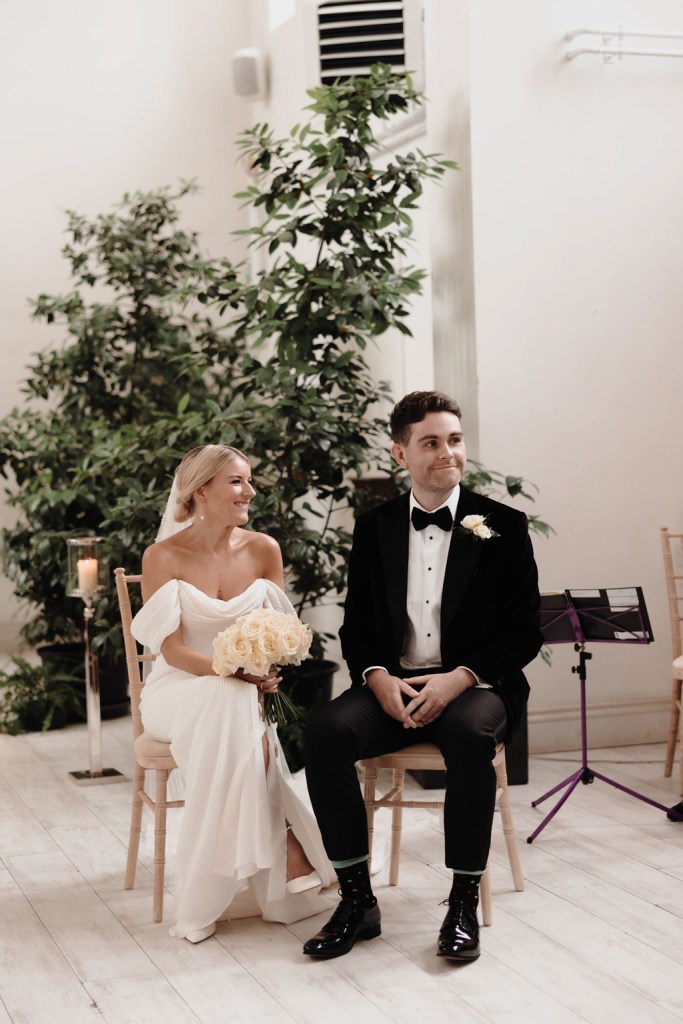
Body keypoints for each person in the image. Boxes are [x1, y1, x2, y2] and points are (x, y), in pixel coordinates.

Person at [303, 391, 542, 962]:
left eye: (454, 440)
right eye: (431, 442)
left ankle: (461, 904)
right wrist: (377, 677)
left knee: (465, 734)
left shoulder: (502, 525)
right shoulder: (375, 527)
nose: (447, 453)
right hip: (394, 685)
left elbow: (524, 633)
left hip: (476, 687)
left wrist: (460, 677)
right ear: (400, 452)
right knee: (324, 731)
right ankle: (357, 900)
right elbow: (356, 624)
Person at [130, 444, 332, 943]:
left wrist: (260, 669)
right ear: (200, 490)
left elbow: (279, 634)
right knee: (230, 698)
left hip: (238, 696)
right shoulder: (163, 556)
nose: (251, 491)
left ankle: (203, 896)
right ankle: (285, 842)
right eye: (238, 482)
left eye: (249, 480)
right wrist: (230, 669)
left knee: (234, 702)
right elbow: (172, 650)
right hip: (175, 692)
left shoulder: (264, 550)